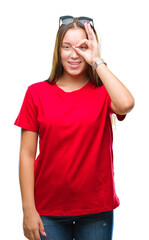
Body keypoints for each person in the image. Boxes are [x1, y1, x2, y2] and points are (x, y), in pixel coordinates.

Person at [14, 16, 135, 240]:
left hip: (96, 209)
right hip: (48, 209)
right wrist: (28, 209)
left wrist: (97, 61)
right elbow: (26, 154)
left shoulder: (103, 92)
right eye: (67, 47)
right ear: (58, 50)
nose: (73, 54)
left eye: (82, 47)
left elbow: (127, 104)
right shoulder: (36, 93)